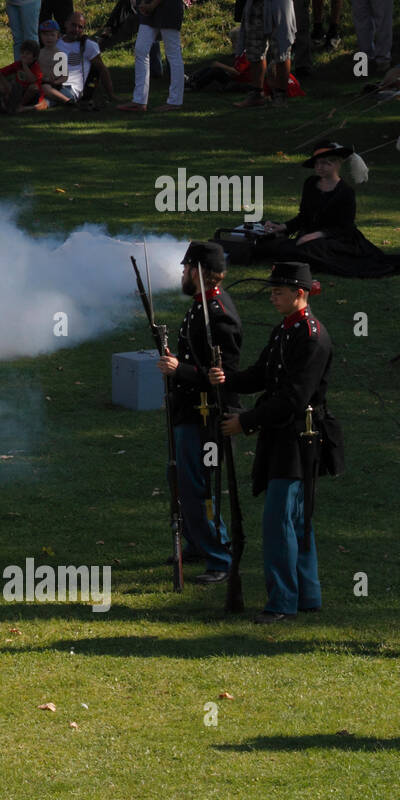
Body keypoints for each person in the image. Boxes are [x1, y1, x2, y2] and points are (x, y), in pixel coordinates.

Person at [210, 262, 340, 623]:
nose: (272, 296)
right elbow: (261, 374)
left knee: (280, 522)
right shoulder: (286, 330)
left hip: (299, 438)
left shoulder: (312, 337)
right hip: (283, 436)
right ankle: (307, 595)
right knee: (295, 520)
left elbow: (293, 399)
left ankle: (282, 602)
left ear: (300, 294)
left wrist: (245, 422)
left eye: (279, 291)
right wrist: (227, 381)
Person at [157, 242, 243, 584]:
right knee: (182, 481)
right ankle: (197, 541)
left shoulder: (218, 315)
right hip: (191, 413)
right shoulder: (202, 307)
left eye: (187, 268)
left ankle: (219, 557)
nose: (182, 273)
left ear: (198, 271)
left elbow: (223, 375)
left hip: (207, 418)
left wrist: (179, 370)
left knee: (199, 488)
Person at [255, 142, 400, 275]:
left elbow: (345, 228)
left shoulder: (345, 192)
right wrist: (283, 227)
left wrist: (316, 235)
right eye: (317, 163)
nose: (320, 167)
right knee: (280, 246)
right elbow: (304, 216)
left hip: (338, 239)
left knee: (303, 250)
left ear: (337, 164)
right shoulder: (311, 183)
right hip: (311, 235)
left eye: (325, 163)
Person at [58, 10, 117, 104]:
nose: (76, 29)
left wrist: (111, 95)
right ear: (66, 24)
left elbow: (102, 69)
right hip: (54, 84)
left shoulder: (87, 45)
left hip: (71, 88)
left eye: (80, 27)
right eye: (73, 25)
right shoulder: (55, 42)